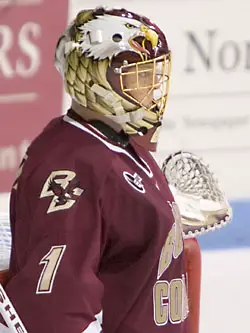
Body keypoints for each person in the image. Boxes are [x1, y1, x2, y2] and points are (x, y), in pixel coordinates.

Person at [3, 7, 189, 332]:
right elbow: (55, 308)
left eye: (152, 77)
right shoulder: (70, 164)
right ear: (95, 75)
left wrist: (166, 217)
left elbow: (118, 229)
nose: (151, 91)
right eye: (137, 77)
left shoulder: (117, 143)